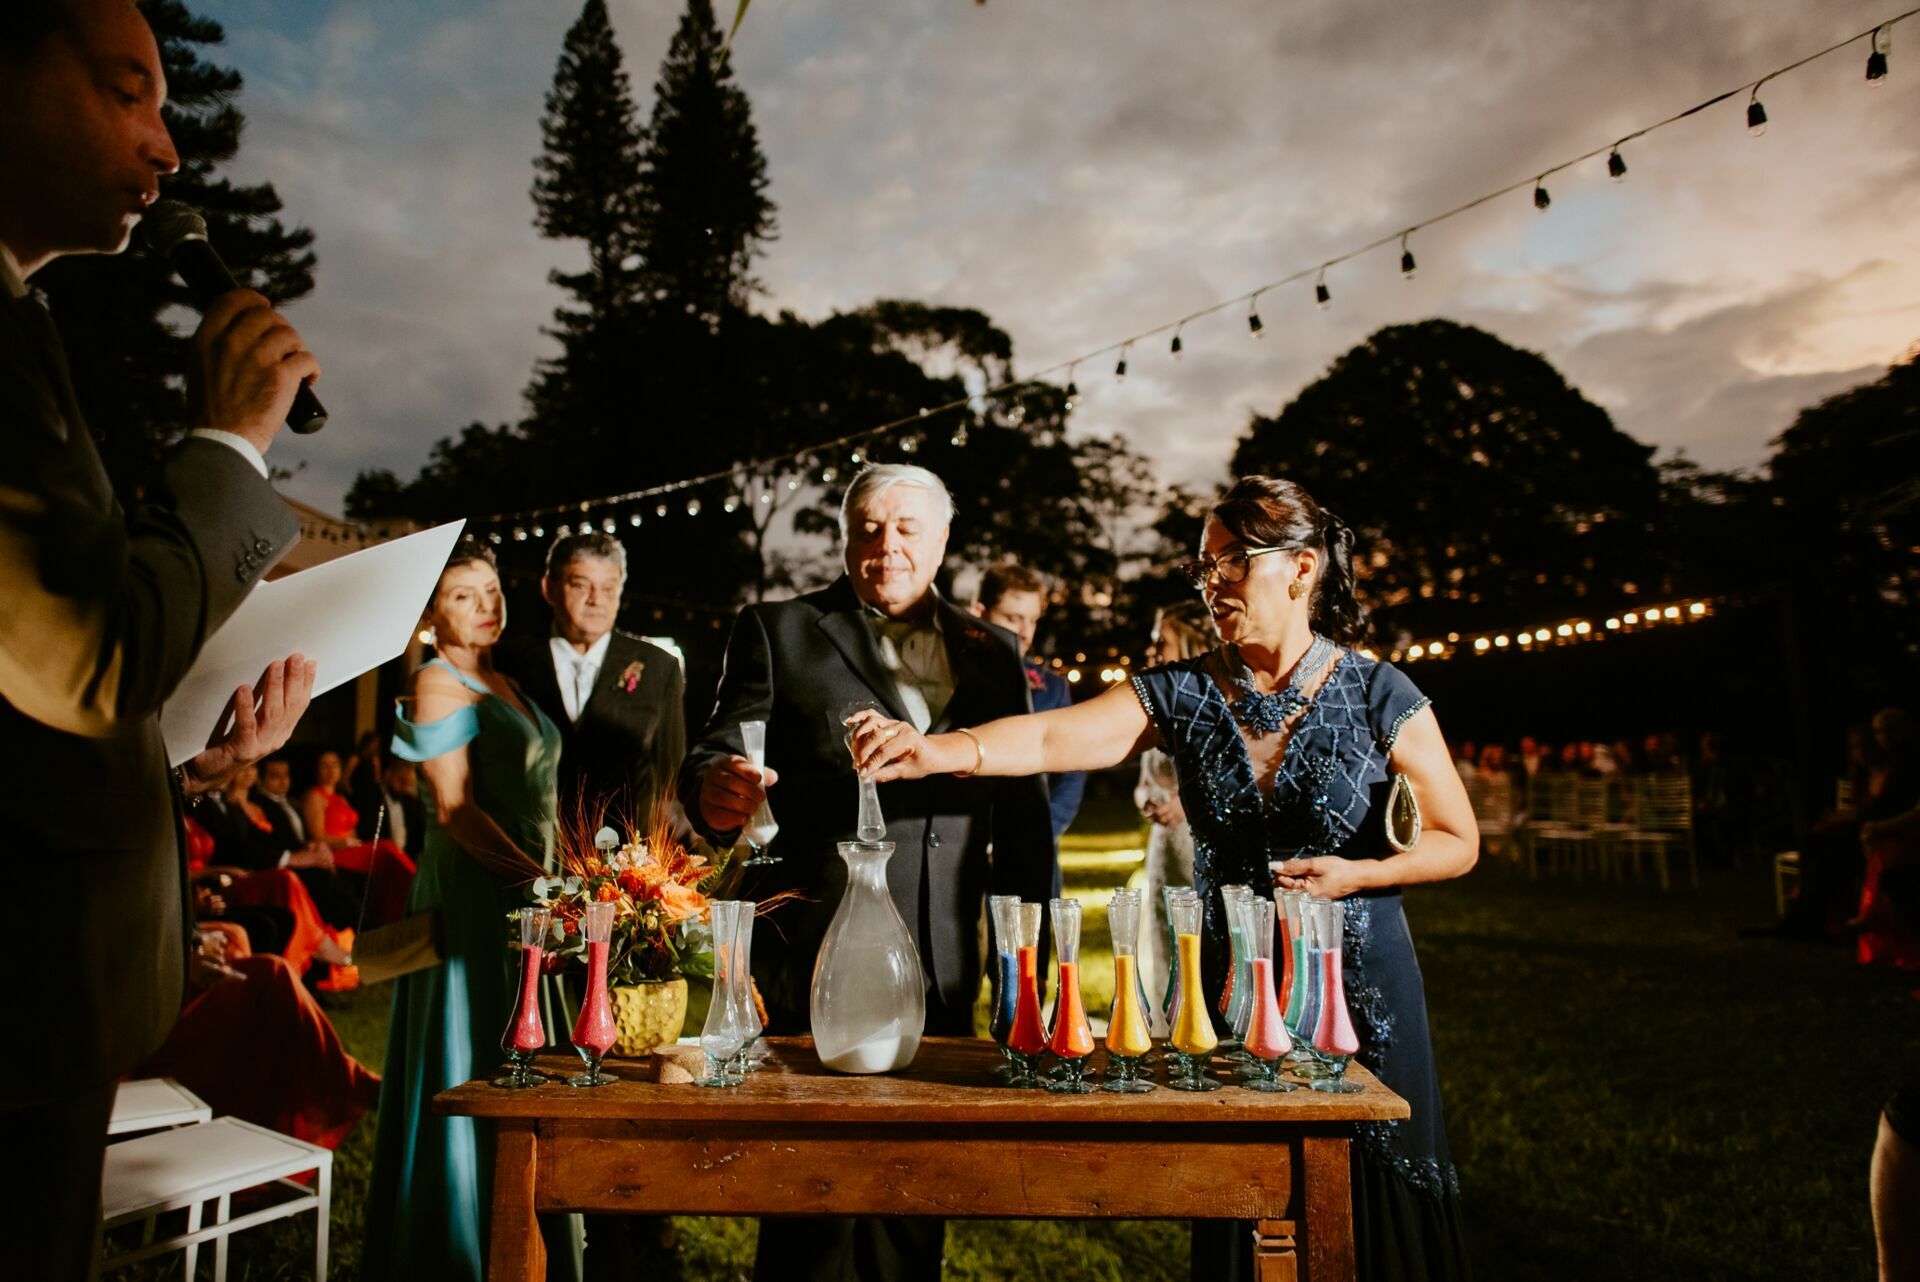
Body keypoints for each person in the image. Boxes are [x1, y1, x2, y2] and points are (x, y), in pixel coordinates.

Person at [848, 475, 1477, 1281]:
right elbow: (1049, 743)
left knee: (1373, 1197)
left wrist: (1358, 875)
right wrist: (939, 750)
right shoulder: (1182, 691)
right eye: (1203, 568)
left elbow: (1459, 839)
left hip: (1362, 988)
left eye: (1231, 564)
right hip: (1231, 986)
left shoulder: (1380, 692)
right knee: (1248, 1192)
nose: (1211, 586)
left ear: (1302, 569)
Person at [0, 2, 319, 1274]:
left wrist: (193, 762)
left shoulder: (25, 319)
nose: (167, 148)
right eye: (128, 90)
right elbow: (82, 652)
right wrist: (231, 444)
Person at [677, 462, 1054, 1282]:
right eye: (869, 529)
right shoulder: (780, 627)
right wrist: (715, 787)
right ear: (846, 538)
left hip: (944, 954)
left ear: (944, 539)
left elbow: (1024, 820)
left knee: (917, 1192)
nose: (888, 546)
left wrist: (1036, 962)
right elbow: (717, 746)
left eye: (908, 528)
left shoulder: (994, 651)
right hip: (816, 948)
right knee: (811, 1192)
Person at [362, 538, 583, 1282]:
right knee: (475, 1056)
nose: (487, 605)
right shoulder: (437, 683)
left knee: (530, 1063)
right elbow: (455, 810)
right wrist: (541, 886)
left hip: (530, 898)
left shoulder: (505, 679)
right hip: (475, 896)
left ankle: (529, 1241)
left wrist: (558, 886)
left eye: (491, 589)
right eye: (464, 595)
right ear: (430, 614)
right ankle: (454, 1247)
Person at [496, 530, 685, 830]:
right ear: (549, 588)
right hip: (529, 853)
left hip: (627, 862)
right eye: (581, 585)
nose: (597, 600)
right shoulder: (508, 663)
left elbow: (670, 777)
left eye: (609, 588)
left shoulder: (659, 667)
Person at [138, 928, 380, 1150]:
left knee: (246, 941)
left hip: (162, 961)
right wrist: (184, 955)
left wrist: (195, 937)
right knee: (270, 973)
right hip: (139, 1015)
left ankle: (346, 1081)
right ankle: (349, 1082)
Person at [1132, 600, 1211, 1033]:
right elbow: (1147, 776)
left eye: (1162, 643)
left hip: (1196, 841)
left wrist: (1187, 803)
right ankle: (1164, 1023)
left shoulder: (1215, 702)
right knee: (1162, 929)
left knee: (1195, 932)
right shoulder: (1157, 704)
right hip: (1163, 844)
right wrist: (1147, 796)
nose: (1152, 651)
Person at [971, 560, 1083, 846]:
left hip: (1031, 844)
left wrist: (1042, 831)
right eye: (1013, 618)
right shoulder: (949, 678)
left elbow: (1072, 772)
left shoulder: (1052, 688)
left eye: (1032, 620)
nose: (1025, 632)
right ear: (979, 614)